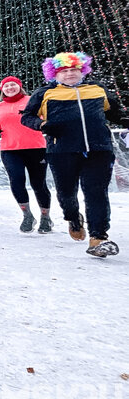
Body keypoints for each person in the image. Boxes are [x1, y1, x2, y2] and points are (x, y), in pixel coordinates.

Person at [22, 52, 129, 257]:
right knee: (66, 193)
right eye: (64, 71)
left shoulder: (97, 89)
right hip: (62, 150)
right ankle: (73, 218)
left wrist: (124, 120)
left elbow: (114, 113)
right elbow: (26, 117)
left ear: (83, 70)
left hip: (99, 148)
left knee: (96, 192)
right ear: (54, 74)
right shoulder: (45, 93)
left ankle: (98, 237)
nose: (70, 73)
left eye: (74, 69)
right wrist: (42, 125)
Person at [0, 76, 52, 233]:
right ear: (2, 89)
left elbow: (43, 118)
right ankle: (27, 215)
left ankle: (45, 217)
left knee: (38, 184)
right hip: (9, 149)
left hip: (36, 147)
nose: (10, 88)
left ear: (20, 86)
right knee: (17, 181)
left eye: (13, 84)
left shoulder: (32, 100)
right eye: (6, 86)